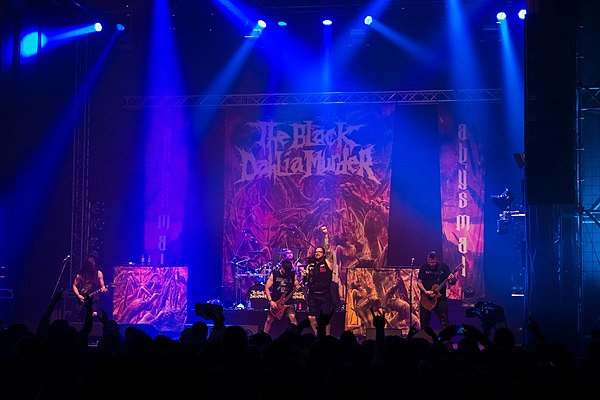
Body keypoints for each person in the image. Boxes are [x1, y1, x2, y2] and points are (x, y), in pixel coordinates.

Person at [302, 225, 335, 336]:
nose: (317, 253)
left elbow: (328, 248)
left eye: (320, 252)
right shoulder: (311, 265)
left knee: (325, 319)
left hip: (325, 295)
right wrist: (305, 275)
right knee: (311, 317)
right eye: (316, 251)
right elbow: (306, 280)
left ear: (324, 254)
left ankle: (327, 338)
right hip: (313, 294)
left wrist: (326, 235)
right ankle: (318, 336)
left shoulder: (328, 263)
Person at [417, 251, 457, 331]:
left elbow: (452, 282)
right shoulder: (424, 267)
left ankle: (446, 341)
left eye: (433, 262)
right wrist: (425, 291)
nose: (431, 264)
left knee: (444, 321)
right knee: (424, 322)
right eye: (429, 262)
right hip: (426, 298)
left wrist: (452, 279)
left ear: (437, 260)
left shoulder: (443, 267)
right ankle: (425, 341)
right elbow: (419, 282)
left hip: (440, 299)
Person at [262, 258, 302, 335]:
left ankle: (297, 336)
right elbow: (267, 287)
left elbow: (297, 284)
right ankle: (264, 336)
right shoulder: (275, 274)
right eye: (285, 271)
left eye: (288, 271)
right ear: (282, 268)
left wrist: (298, 286)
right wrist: (271, 301)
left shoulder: (292, 274)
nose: (287, 273)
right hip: (276, 302)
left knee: (292, 317)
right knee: (269, 320)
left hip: (288, 302)